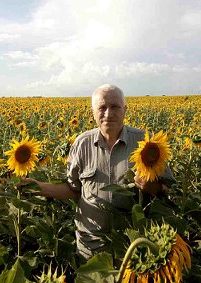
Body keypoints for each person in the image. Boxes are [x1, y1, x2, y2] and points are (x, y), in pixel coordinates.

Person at [22, 84, 175, 263]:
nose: (108, 114)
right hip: (91, 246)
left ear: (125, 110)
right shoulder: (82, 144)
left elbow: (170, 191)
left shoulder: (147, 143)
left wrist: (153, 187)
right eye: (102, 108)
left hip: (133, 247)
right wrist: (38, 187)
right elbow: (73, 189)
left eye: (115, 107)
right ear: (93, 112)